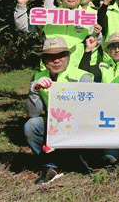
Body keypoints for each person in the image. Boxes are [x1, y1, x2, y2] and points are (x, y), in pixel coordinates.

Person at [24, 37, 93, 185]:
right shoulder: (38, 77)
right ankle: (51, 165)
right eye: (50, 57)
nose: (56, 61)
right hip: (52, 125)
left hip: (78, 126)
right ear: (44, 61)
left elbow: (89, 112)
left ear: (68, 57)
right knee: (32, 125)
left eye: (60, 56)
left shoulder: (83, 77)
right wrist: (34, 91)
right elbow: (33, 113)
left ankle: (75, 159)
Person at [15, 0, 100, 70]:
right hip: (50, 68)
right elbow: (24, 27)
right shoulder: (49, 14)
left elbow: (95, 42)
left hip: (78, 67)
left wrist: (97, 34)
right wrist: (21, 5)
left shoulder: (88, 17)